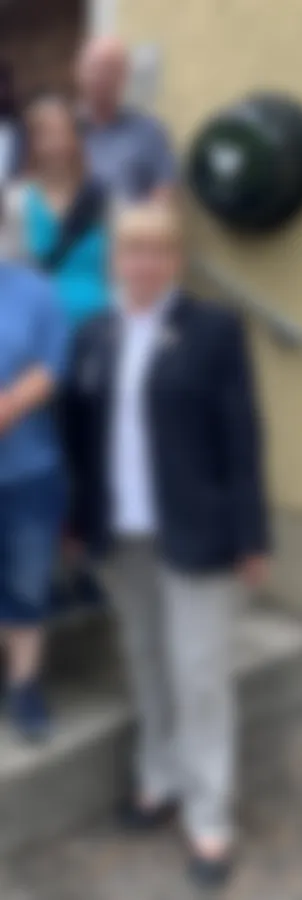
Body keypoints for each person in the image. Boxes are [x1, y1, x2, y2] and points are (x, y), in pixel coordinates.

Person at [59, 199, 267, 889]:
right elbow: (78, 436)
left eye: (156, 249)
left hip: (197, 533)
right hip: (119, 534)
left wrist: (251, 535)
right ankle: (157, 780)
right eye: (131, 250)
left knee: (200, 676)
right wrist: (73, 522)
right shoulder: (95, 334)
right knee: (144, 661)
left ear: (174, 258)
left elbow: (240, 438)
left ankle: (208, 819)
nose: (143, 262)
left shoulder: (211, 330)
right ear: (116, 260)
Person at [0, 250, 70, 745]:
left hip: (27, 471)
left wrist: (5, 408)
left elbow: (52, 364)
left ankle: (24, 685)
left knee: (26, 583)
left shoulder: (32, 290)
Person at [2, 94, 111, 328]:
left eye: (64, 132)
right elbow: (9, 279)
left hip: (100, 334)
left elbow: (122, 274)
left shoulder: (104, 199)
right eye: (46, 134)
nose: (57, 143)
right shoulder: (14, 202)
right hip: (39, 335)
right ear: (31, 142)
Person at [76, 36, 177, 202]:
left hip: (129, 226)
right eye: (94, 67)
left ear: (124, 77)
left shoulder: (150, 134)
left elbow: (163, 203)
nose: (101, 77)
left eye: (110, 69)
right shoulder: (61, 132)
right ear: (79, 71)